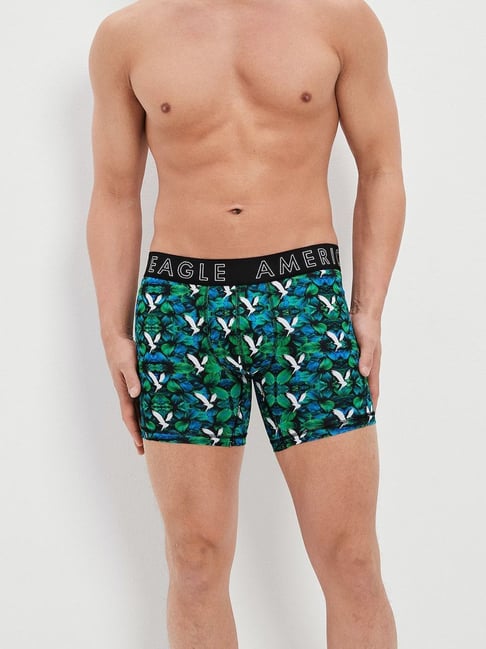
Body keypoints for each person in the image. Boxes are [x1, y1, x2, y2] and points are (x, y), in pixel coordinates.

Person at [86, 0, 405, 646]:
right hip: (179, 308)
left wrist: (368, 310)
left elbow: (382, 169)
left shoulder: (340, 20)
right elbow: (115, 193)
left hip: (305, 301)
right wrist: (113, 332)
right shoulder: (128, 36)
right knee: (195, 562)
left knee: (350, 557)